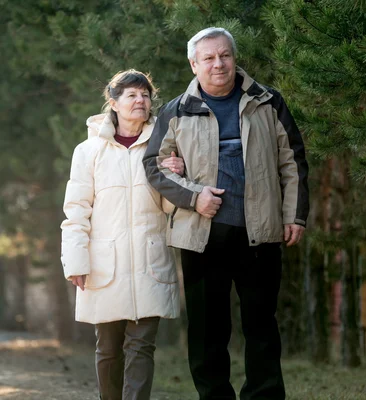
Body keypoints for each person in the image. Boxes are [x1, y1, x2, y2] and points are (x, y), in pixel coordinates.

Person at [143, 27, 309, 399]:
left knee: (261, 325)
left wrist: (294, 215)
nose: (219, 64)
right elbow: (154, 166)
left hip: (260, 232)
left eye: (225, 55)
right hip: (202, 237)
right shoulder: (175, 110)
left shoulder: (268, 101)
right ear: (194, 64)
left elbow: (292, 161)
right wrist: (194, 197)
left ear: (234, 58)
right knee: (206, 330)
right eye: (209, 58)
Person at [60, 69, 184, 400]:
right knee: (109, 349)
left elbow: (172, 209)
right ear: (113, 103)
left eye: (145, 95)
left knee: (142, 347)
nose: (140, 101)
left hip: (150, 261)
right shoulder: (88, 151)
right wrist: (76, 260)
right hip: (105, 264)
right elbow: (76, 210)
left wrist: (176, 177)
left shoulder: (164, 144)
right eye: (131, 95)